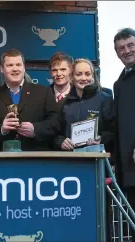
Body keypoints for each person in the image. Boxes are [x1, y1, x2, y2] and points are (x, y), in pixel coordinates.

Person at [0, 48, 61, 151]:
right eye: (10, 65)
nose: (15, 69)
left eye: (18, 65)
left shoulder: (44, 92)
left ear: (24, 67)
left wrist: (35, 129)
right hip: (4, 160)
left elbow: (56, 122)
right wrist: (2, 129)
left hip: (37, 158)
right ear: (2, 69)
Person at [54, 58, 113, 152]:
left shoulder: (105, 99)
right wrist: (61, 141)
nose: (84, 78)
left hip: (97, 159)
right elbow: (55, 133)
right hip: (70, 159)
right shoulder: (65, 103)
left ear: (93, 77)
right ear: (72, 77)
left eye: (87, 74)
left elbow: (114, 131)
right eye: (78, 74)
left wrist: (101, 139)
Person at [113, 28, 135, 241]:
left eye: (130, 45)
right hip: (127, 166)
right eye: (121, 48)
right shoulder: (119, 84)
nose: (126, 51)